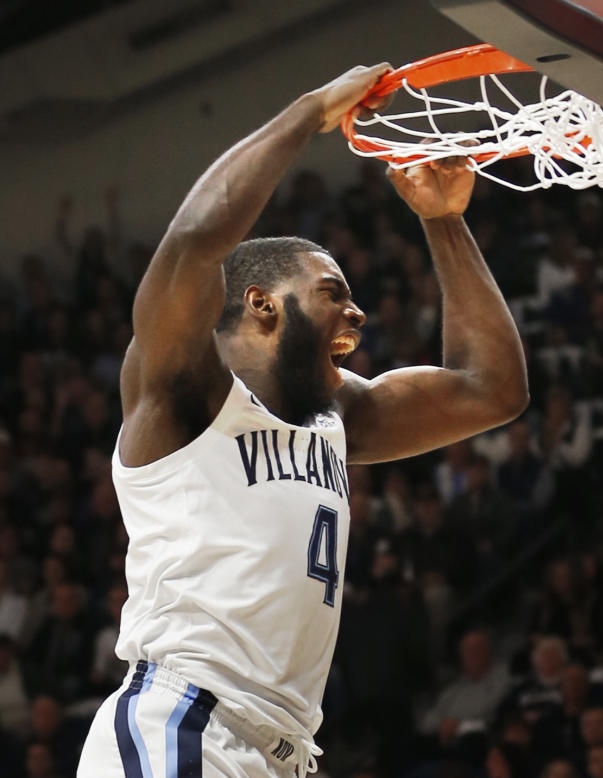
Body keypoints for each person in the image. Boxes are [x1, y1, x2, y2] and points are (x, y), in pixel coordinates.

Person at [77, 63, 528, 778]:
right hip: (185, 723)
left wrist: (442, 221)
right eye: (332, 294)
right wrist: (310, 112)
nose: (357, 313)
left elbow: (490, 390)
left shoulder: (337, 414)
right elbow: (195, 240)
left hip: (282, 752)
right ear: (261, 304)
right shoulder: (183, 389)